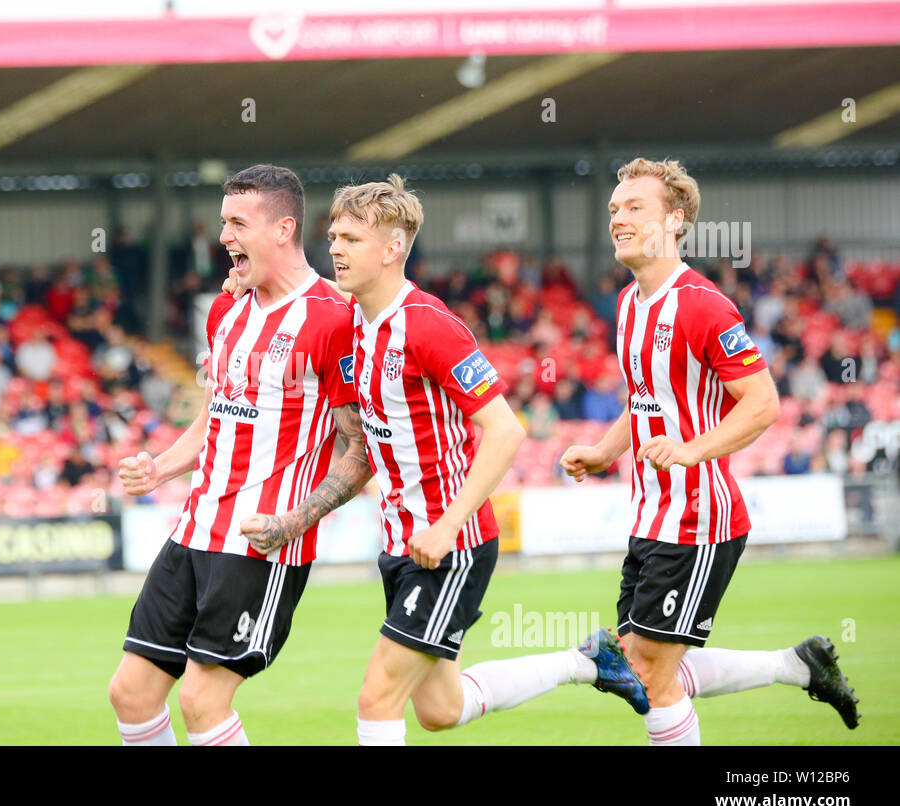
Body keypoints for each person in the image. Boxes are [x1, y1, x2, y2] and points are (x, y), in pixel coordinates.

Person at [320, 176, 647, 746]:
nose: (335, 248)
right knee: (441, 709)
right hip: (401, 544)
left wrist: (447, 526)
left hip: (453, 543)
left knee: (377, 697)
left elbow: (505, 431)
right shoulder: (352, 323)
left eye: (350, 238)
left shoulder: (429, 325)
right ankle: (588, 662)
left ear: (394, 248)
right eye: (333, 236)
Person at [559, 158, 859, 745]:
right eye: (615, 208)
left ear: (674, 220)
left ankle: (794, 668)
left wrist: (692, 450)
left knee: (642, 669)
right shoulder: (627, 305)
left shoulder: (702, 303)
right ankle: (798, 666)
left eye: (635, 208)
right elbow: (648, 400)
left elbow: (762, 402)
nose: (618, 218)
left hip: (698, 519)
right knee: (645, 669)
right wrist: (603, 451)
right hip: (650, 518)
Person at [108, 164, 367, 746]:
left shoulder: (334, 318)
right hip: (195, 528)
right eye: (223, 221)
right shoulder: (226, 308)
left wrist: (291, 522)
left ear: (283, 229)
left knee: (202, 700)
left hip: (260, 542)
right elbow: (215, 415)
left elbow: (360, 449)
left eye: (237, 223)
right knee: (130, 691)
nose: (224, 235)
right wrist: (161, 467)